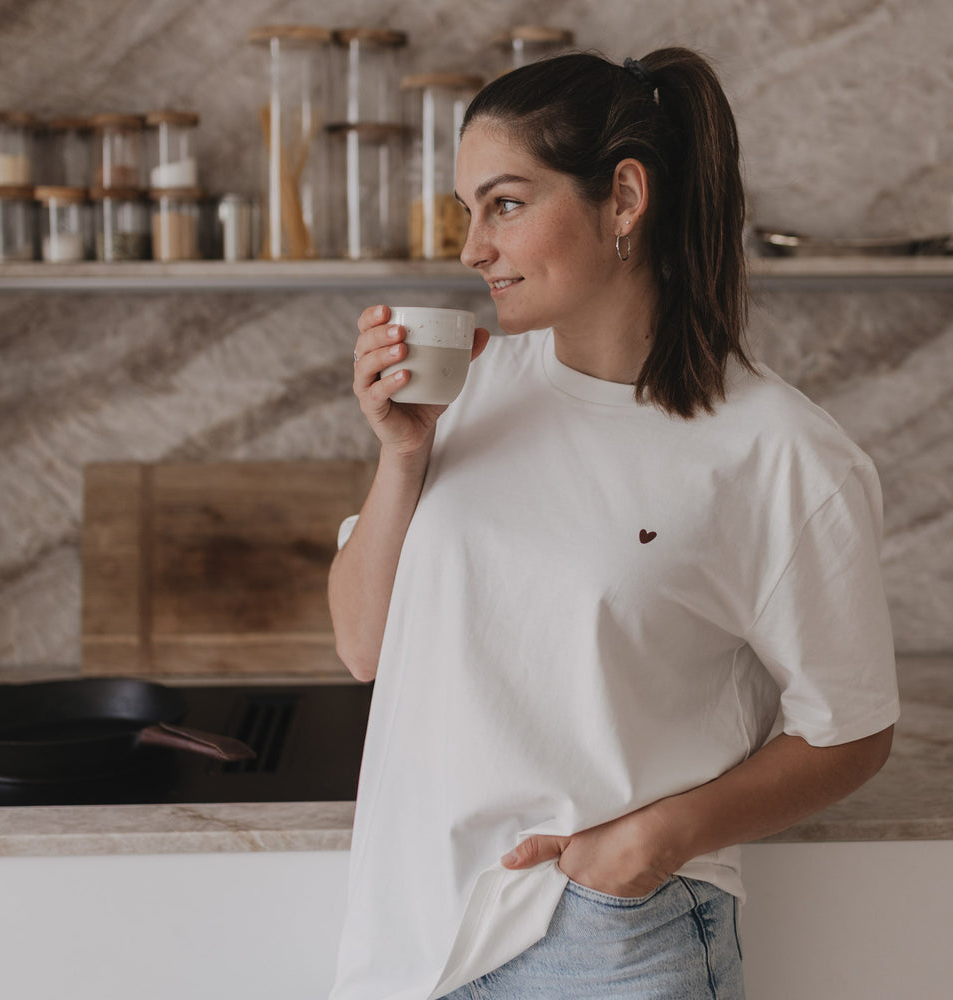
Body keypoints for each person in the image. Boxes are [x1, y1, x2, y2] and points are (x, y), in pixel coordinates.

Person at [327, 47, 899, 1000]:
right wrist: (402, 455)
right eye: (469, 211)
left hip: (602, 945)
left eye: (505, 203)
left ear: (624, 198)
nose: (473, 248)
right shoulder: (465, 395)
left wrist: (648, 844)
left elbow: (851, 731)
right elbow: (361, 647)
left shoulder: (780, 454)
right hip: (412, 935)